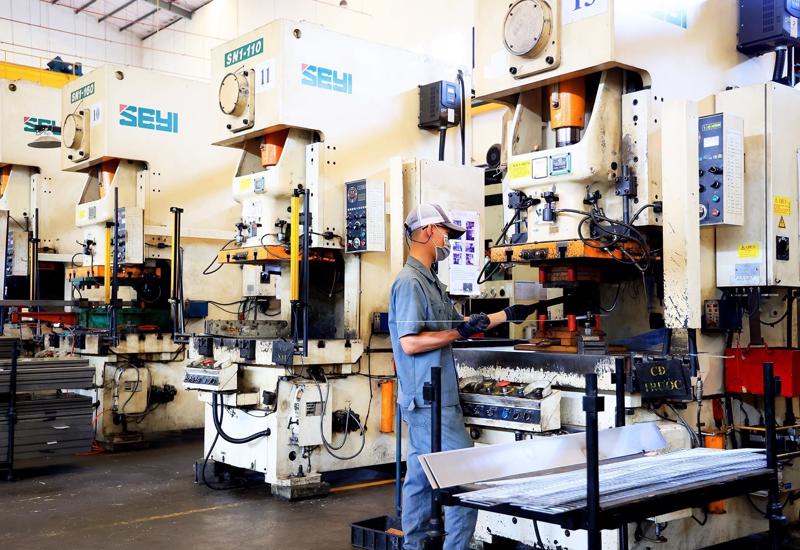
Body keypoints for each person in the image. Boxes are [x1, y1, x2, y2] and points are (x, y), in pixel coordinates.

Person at [388, 203, 537, 550]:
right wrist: (458, 333)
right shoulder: (410, 283)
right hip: (428, 399)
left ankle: (413, 546)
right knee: (466, 474)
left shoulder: (431, 283)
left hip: (436, 396)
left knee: (421, 478)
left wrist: (505, 314)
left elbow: (459, 325)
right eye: (445, 234)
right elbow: (410, 343)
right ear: (427, 232)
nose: (448, 242)